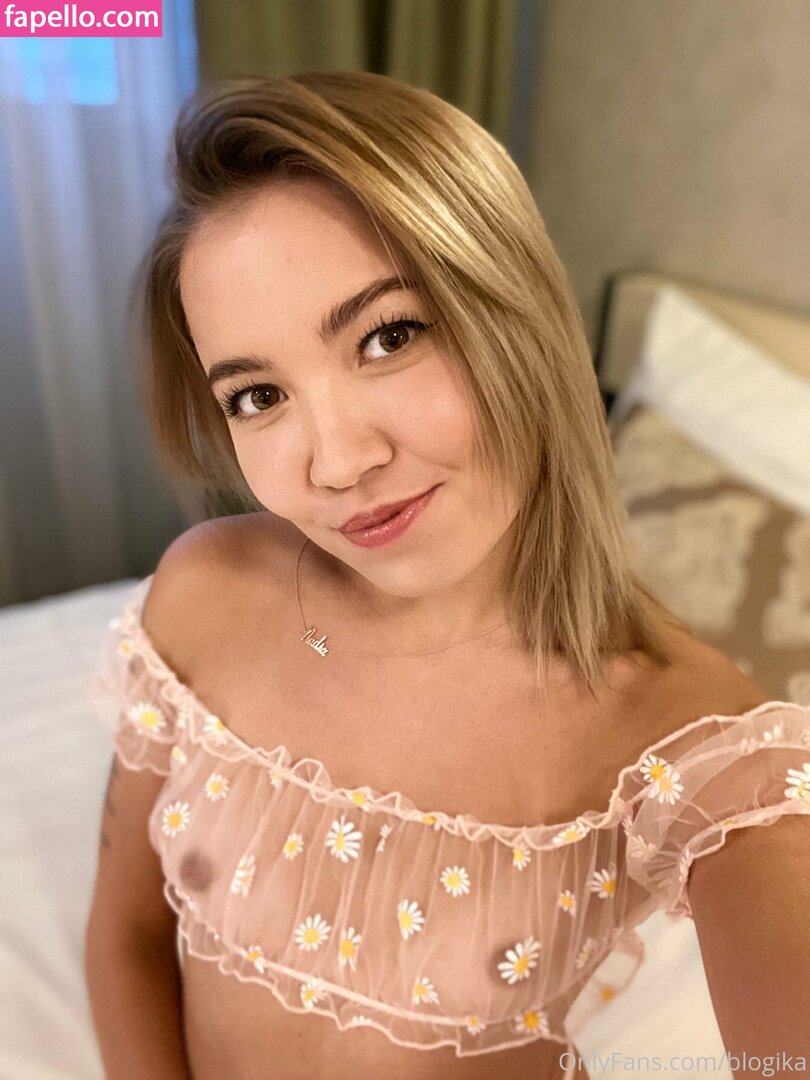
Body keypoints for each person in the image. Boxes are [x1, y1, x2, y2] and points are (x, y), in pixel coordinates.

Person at [83, 71, 810, 1080]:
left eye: (388, 337)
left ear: (519, 316)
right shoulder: (204, 593)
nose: (337, 463)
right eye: (257, 396)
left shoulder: (694, 748)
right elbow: (124, 937)